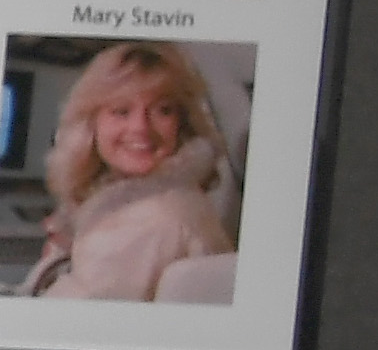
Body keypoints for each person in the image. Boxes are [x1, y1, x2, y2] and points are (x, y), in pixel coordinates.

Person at [30, 39, 237, 298]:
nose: (140, 127)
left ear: (181, 124)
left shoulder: (155, 221)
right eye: (121, 111)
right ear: (91, 124)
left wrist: (48, 267)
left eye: (163, 110)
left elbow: (65, 323)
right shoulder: (165, 201)